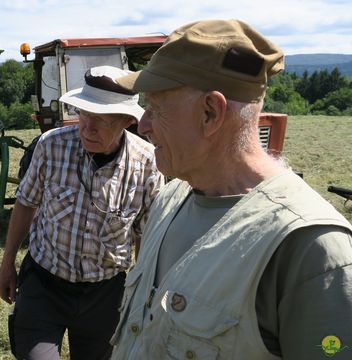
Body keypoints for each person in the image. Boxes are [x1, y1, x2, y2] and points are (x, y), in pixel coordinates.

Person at [110, 19, 352, 359]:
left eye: (155, 108)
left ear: (210, 112)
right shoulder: (169, 199)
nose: (143, 124)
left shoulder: (310, 248)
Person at [0, 65, 165, 359]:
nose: (87, 128)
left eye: (101, 120)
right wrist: (7, 262)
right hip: (44, 283)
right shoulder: (52, 146)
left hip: (105, 294)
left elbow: (144, 236)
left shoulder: (147, 164)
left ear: (126, 121)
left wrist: (141, 293)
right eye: (84, 114)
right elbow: (26, 202)